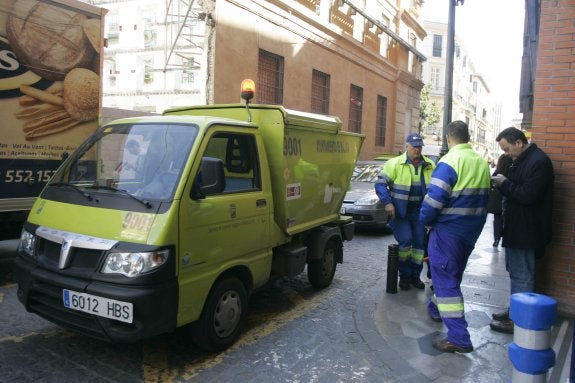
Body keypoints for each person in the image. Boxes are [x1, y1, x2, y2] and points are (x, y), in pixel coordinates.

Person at [420, 120, 491, 353]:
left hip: (448, 230)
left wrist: (425, 220)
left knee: (446, 279)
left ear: (449, 138)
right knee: (451, 274)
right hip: (471, 231)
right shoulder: (480, 162)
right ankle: (435, 308)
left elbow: (434, 200)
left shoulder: (450, 161)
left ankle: (458, 337)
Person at [489, 127, 554, 334]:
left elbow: (528, 195)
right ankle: (515, 310)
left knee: (522, 275)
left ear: (519, 142)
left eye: (507, 149)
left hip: (527, 230)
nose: (506, 154)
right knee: (515, 272)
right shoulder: (523, 159)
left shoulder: (538, 161)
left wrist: (505, 183)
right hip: (517, 228)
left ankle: (519, 319)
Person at [375, 133, 436, 290]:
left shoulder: (429, 164)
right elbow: (380, 184)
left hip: (420, 213)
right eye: (414, 146)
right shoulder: (395, 163)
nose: (417, 149)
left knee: (418, 246)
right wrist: (388, 203)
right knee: (405, 242)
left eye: (419, 146)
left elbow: (436, 189)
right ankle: (404, 276)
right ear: (406, 146)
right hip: (401, 213)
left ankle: (415, 276)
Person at [487, 154, 513, 247]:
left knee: (497, 219)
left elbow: (491, 183)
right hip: (508, 198)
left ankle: (496, 239)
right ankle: (506, 237)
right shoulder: (512, 171)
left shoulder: (498, 171)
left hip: (497, 199)